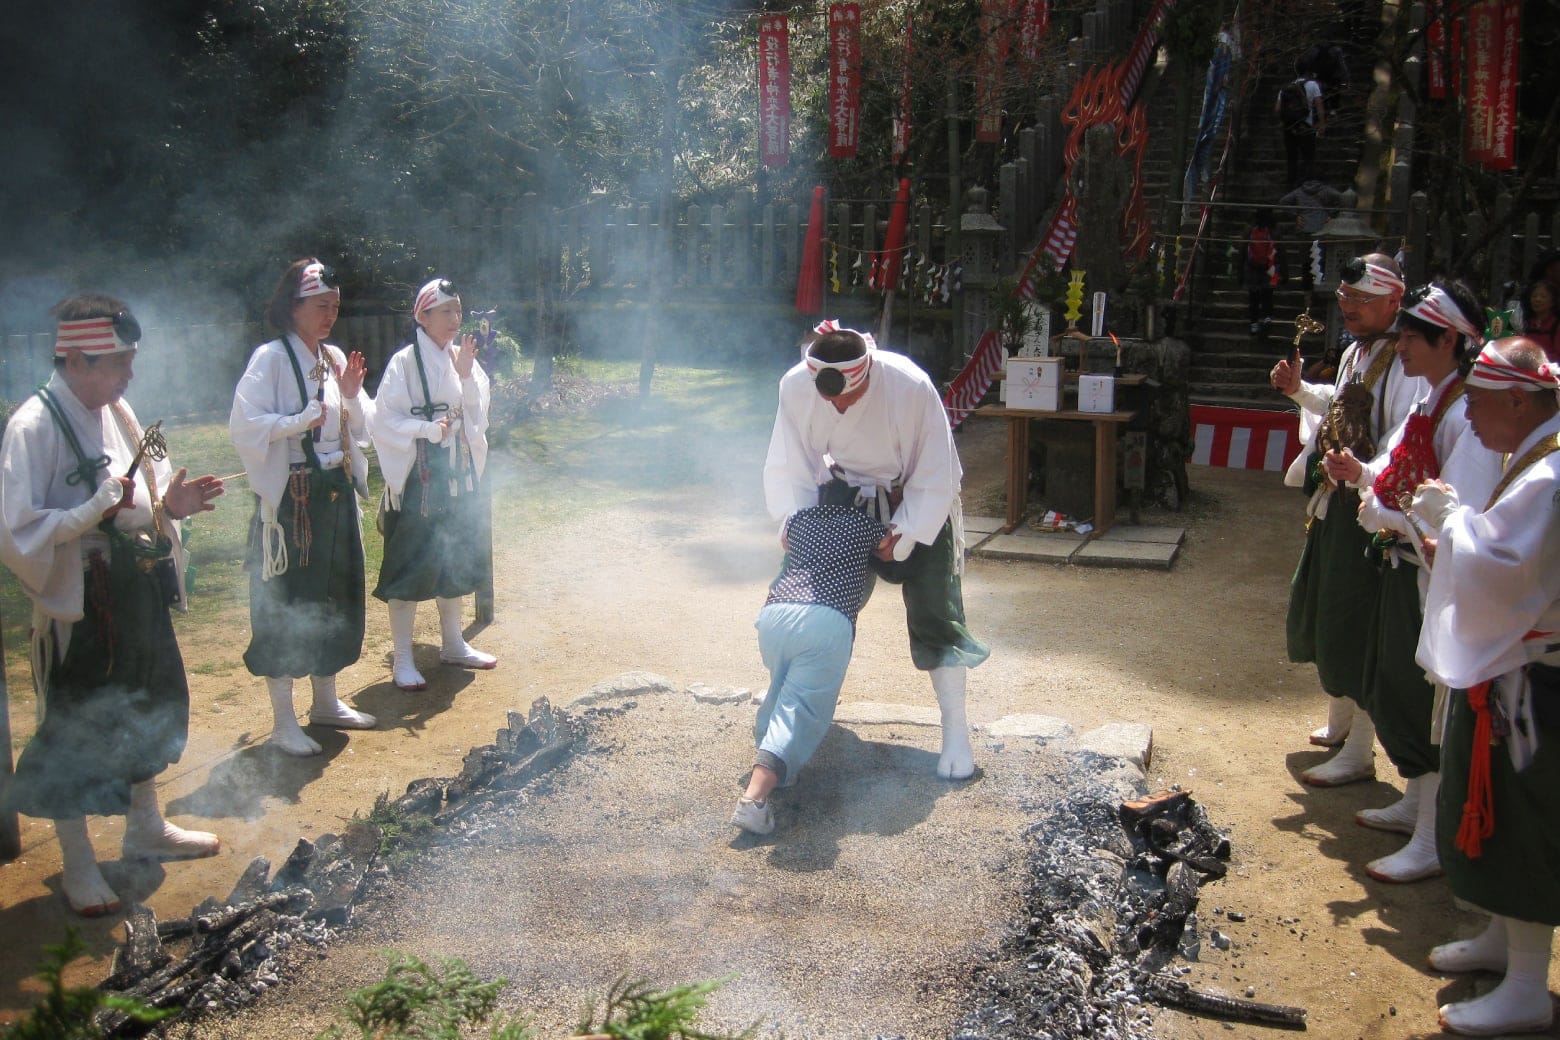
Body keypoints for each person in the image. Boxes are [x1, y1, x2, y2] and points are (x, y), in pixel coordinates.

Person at [0, 295, 224, 916]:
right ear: (77, 359)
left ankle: (145, 825)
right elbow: (15, 531)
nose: (130, 376)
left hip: (131, 584)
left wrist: (170, 505)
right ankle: (76, 863)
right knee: (75, 720)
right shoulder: (32, 426)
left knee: (144, 699)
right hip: (79, 596)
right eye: (119, 362)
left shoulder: (117, 410)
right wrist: (85, 513)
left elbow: (146, 497)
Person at [1409, 337, 1560, 1036]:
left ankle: (1529, 983)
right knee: (1501, 802)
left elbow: (1507, 567)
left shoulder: (1548, 475)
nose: (1469, 416)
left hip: (1539, 680)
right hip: (1519, 667)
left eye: (1478, 402)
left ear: (1518, 401)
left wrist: (1451, 523)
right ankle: (1507, 942)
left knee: (1527, 816)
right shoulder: (1533, 458)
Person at [763, 320, 989, 781]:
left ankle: (955, 731)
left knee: (934, 612)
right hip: (843, 494)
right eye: (828, 399)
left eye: (846, 396)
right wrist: (794, 519)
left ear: (865, 371)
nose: (837, 405)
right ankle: (787, 714)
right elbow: (791, 462)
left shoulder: (908, 384)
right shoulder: (796, 386)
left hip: (914, 495)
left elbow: (937, 467)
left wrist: (906, 529)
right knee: (804, 599)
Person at [1328, 279, 1500, 882]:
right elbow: (1395, 465)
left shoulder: (1467, 414)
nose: (1398, 345)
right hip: (1403, 563)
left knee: (1424, 694)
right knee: (1397, 684)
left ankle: (1431, 835)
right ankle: (1416, 803)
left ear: (1447, 339)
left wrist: (1388, 509)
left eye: (1409, 336)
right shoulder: (1433, 399)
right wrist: (1364, 474)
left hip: (1428, 574)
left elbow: (1455, 511)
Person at [1271, 253, 1425, 780]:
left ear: (1394, 300)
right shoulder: (1357, 351)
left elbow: (1406, 439)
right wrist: (1298, 391)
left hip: (1370, 504)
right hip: (1336, 499)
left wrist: (1364, 472)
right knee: (1324, 604)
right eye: (1345, 298)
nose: (1351, 307)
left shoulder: (1407, 362)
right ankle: (1339, 721)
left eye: (1362, 299)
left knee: (1357, 620)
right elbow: (1339, 404)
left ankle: (1360, 750)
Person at [230, 259, 377, 756]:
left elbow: (362, 429)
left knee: (334, 594)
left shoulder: (334, 357)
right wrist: (300, 420)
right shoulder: (269, 359)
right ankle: (283, 720)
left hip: (332, 492)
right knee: (287, 600)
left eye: (335, 307)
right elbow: (245, 426)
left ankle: (327, 701)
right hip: (293, 498)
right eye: (320, 306)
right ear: (292, 307)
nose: (330, 315)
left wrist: (352, 398)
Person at [733, 481, 887, 836]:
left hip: (774, 614)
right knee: (798, 709)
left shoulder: (799, 519)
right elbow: (890, 550)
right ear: (858, 500)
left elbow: (785, 543)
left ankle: (776, 767)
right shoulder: (863, 522)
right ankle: (754, 800)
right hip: (824, 621)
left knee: (782, 691)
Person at [370, 277, 495, 690]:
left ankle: (453, 643)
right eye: (446, 312)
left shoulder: (464, 359)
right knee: (409, 562)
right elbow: (383, 420)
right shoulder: (404, 363)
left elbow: (477, 413)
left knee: (453, 557)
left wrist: (464, 377)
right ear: (422, 317)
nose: (455, 320)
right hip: (419, 476)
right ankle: (403, 657)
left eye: (458, 311)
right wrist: (427, 429)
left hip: (456, 474)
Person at [1276, 63, 1325, 190]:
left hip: (1289, 127)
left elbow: (1277, 109)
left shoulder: (1286, 88)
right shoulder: (1313, 85)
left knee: (1292, 157)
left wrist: (1285, 119)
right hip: (1306, 126)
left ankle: (1291, 184)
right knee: (1308, 156)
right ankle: (1306, 184)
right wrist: (1321, 123)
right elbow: (1319, 105)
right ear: (1308, 72)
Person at [1245, 207, 1280, 337]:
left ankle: (1254, 323)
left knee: (1253, 298)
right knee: (1268, 294)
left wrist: (1240, 272)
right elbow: (1280, 253)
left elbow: (1243, 252)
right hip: (1271, 268)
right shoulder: (1274, 231)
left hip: (1252, 268)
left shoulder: (1249, 231)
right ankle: (1267, 318)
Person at [1518, 279, 1559, 362]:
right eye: (1534, 296)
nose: (1537, 300)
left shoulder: (1556, 325)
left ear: (1552, 302)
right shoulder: (1526, 324)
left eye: (1543, 296)